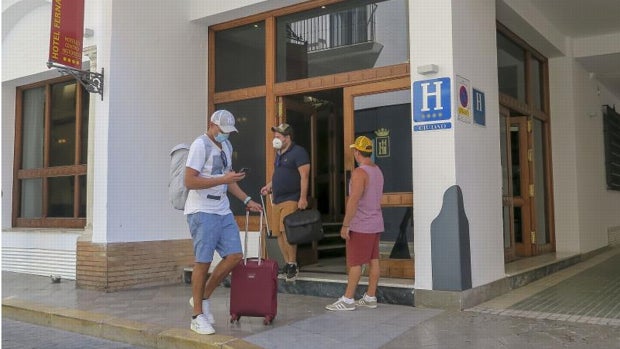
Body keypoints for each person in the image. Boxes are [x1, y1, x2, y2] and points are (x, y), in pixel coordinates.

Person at [184, 110, 262, 334]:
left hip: (222, 208)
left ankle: (203, 297)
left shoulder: (226, 147)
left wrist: (247, 199)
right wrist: (223, 179)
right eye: (222, 131)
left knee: (235, 255)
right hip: (201, 210)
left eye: (229, 132)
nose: (225, 135)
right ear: (212, 125)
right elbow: (189, 180)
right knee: (203, 261)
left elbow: (228, 182)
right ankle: (197, 315)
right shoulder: (200, 145)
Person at [326, 135, 384, 311]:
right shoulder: (378, 170)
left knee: (355, 262)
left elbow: (354, 200)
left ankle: (348, 299)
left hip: (361, 225)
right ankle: (370, 296)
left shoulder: (360, 173)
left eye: (354, 151)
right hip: (375, 223)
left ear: (357, 152)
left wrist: (345, 225)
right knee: (374, 260)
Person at [260, 123, 310, 282]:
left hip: (291, 198)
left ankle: (293, 263)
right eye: (275, 136)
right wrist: (269, 186)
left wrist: (302, 198)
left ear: (287, 138)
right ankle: (288, 263)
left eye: (279, 136)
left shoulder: (299, 152)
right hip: (277, 199)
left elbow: (304, 176)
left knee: (286, 231)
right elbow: (278, 175)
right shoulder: (279, 154)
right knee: (278, 233)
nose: (276, 139)